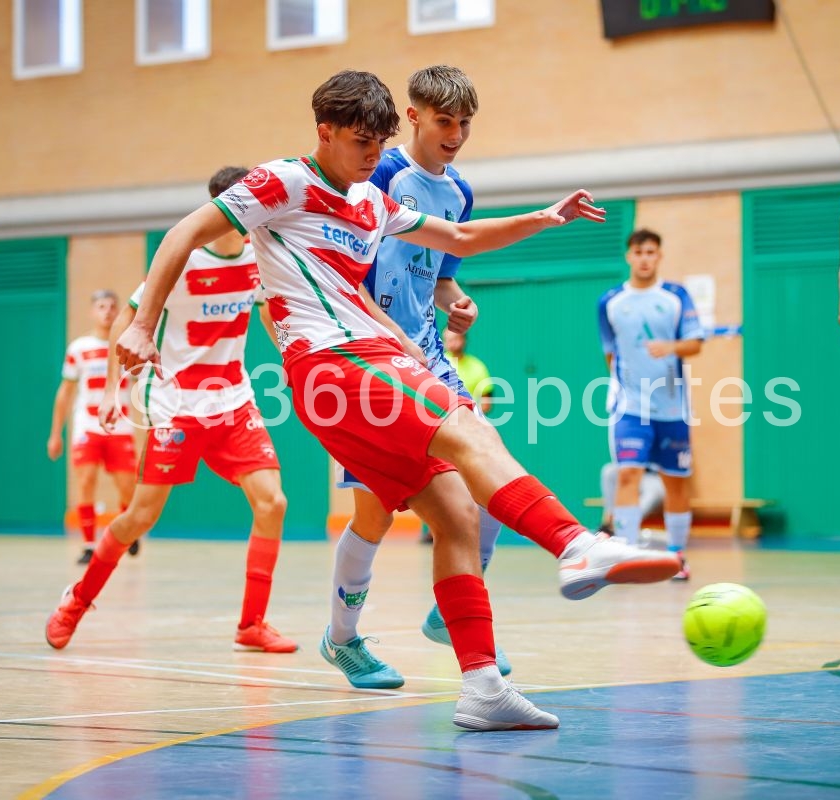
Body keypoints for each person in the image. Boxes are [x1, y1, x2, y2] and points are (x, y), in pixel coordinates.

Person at [114, 70, 682, 731]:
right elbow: (183, 233)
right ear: (325, 131)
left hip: (367, 360)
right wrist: (142, 324)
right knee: (468, 430)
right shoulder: (283, 181)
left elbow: (459, 239)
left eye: (380, 144)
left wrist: (545, 217)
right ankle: (575, 543)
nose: (371, 156)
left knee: (455, 515)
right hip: (332, 363)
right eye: (361, 142)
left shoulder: (372, 202)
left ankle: (482, 688)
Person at [45, 166, 297, 655]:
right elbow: (126, 319)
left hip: (234, 402)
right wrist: (114, 390)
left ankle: (251, 624)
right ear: (226, 207)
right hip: (177, 407)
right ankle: (76, 600)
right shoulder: (182, 260)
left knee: (273, 503)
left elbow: (267, 309)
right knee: (140, 516)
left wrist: (290, 355)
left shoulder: (259, 258)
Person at [321, 65, 511, 690]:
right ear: (414, 117)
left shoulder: (459, 192)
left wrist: (457, 300)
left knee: (491, 476)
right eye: (444, 121)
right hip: (372, 361)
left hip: (429, 355)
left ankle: (450, 614)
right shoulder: (378, 175)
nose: (455, 134)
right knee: (376, 515)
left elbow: (441, 273)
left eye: (465, 123)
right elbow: (345, 273)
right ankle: (342, 639)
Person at [598, 229, 704, 580]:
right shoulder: (610, 302)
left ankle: (677, 556)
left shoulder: (676, 297)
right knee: (628, 474)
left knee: (675, 481)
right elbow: (609, 353)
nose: (645, 258)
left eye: (651, 252)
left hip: (673, 407)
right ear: (629, 256)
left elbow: (695, 343)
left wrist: (670, 347)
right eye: (639, 252)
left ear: (659, 256)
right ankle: (628, 554)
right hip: (629, 407)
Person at [47, 290, 138, 564]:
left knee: (127, 486)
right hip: (87, 426)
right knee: (86, 481)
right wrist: (56, 433)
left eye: (112, 306)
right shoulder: (79, 348)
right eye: (101, 306)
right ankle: (88, 544)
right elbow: (65, 392)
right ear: (92, 311)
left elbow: (143, 384)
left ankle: (128, 532)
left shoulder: (128, 344)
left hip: (120, 427)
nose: (107, 311)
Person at [598, 462, 665, 538]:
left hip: (657, 476)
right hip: (635, 471)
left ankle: (623, 526)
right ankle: (610, 524)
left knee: (653, 492)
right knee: (609, 471)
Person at [444, 328, 493, 414]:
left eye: (455, 338)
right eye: (447, 339)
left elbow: (486, 404)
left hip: (470, 418)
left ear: (463, 339)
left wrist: (466, 415)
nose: (451, 342)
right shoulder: (437, 364)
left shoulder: (478, 367)